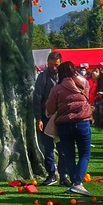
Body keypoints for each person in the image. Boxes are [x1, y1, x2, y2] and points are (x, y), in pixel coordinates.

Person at [45, 61, 94, 197]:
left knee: (69, 155)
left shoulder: (57, 88)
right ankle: (78, 182)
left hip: (64, 124)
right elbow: (88, 97)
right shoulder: (83, 83)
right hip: (83, 122)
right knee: (85, 154)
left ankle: (74, 183)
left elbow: (49, 108)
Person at [32, 51, 64, 185]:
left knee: (63, 147)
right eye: (51, 65)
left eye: (56, 65)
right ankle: (51, 174)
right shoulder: (42, 77)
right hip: (46, 117)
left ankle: (63, 175)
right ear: (47, 63)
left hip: (62, 117)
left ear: (60, 63)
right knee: (48, 147)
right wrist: (38, 118)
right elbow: (37, 98)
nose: (54, 68)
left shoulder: (64, 77)